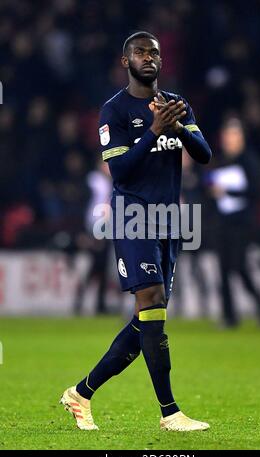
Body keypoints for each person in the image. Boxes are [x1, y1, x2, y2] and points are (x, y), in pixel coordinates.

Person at [60, 31, 212, 432]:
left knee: (150, 319)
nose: (149, 58)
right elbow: (121, 171)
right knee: (152, 305)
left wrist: (177, 126)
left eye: (155, 53)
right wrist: (152, 130)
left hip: (170, 220)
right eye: (140, 52)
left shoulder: (176, 105)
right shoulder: (114, 110)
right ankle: (170, 412)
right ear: (125, 61)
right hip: (132, 217)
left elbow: (205, 154)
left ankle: (81, 393)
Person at [208, 117, 260, 328]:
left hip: (242, 223)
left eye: (233, 135)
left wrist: (229, 192)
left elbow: (256, 191)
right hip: (223, 222)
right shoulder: (221, 160)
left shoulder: (249, 160)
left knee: (239, 267)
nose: (229, 139)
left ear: (241, 137)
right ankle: (230, 317)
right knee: (223, 270)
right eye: (227, 135)